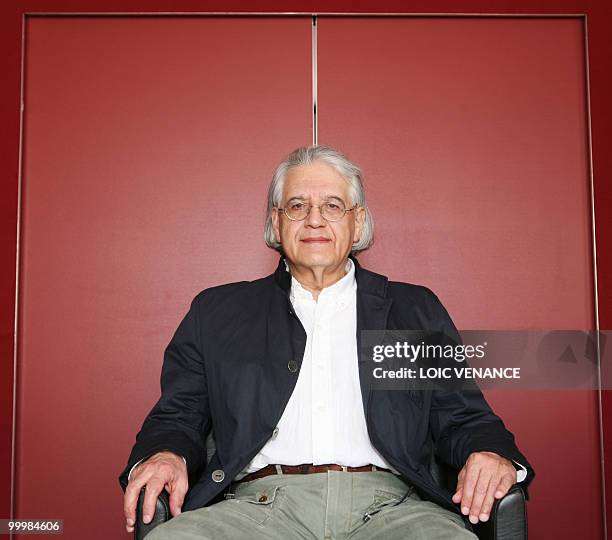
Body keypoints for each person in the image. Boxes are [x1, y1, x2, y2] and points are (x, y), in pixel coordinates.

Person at [120, 145, 534, 539]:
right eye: (297, 206)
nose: (315, 219)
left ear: (357, 224)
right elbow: (178, 417)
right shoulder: (218, 312)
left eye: (333, 206)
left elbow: (464, 418)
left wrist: (490, 454)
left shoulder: (410, 310)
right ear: (276, 222)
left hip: (394, 510)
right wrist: (166, 454)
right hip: (256, 510)